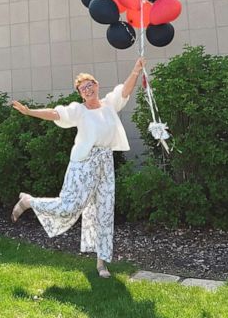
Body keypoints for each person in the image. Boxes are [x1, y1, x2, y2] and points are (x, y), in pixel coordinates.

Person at [9, 57, 145, 278]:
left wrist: (136, 70)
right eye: (83, 89)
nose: (87, 90)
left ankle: (101, 264)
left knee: (104, 212)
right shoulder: (78, 110)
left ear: (97, 85)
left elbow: (125, 91)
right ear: (81, 94)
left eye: (90, 85)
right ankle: (28, 201)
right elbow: (56, 114)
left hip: (104, 164)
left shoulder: (110, 105)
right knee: (69, 206)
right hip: (83, 164)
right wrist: (30, 112)